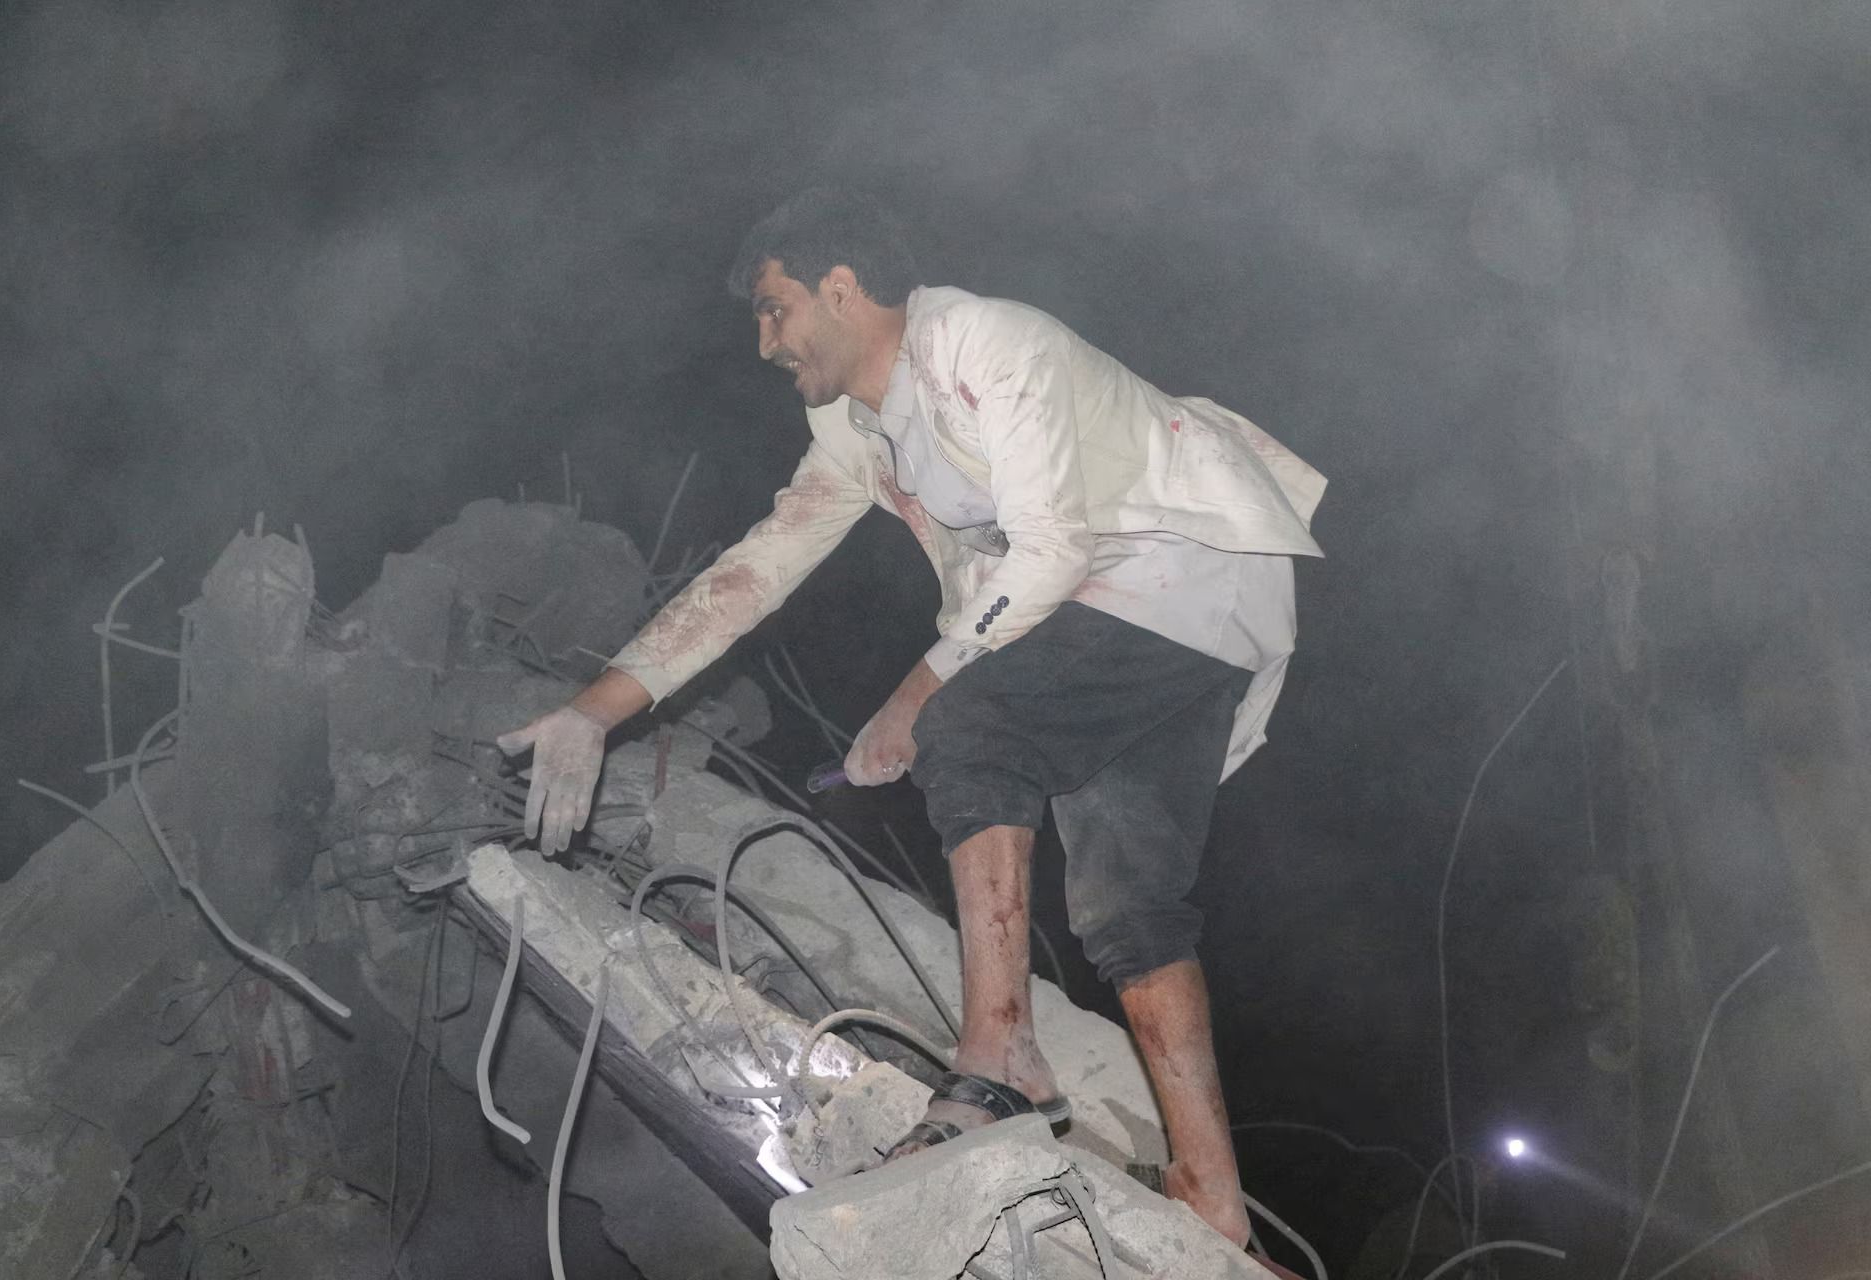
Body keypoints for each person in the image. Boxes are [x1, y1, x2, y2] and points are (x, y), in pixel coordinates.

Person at [497, 189, 1325, 1245]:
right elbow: (760, 567)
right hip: (1146, 617)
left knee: (971, 726)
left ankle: (999, 1062)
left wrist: (917, 695)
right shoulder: (852, 428)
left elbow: (1053, 551)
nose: (766, 342)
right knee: (1126, 904)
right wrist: (591, 712)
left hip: (1185, 569)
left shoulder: (987, 339)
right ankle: (1213, 1199)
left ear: (840, 288)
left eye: (774, 307)